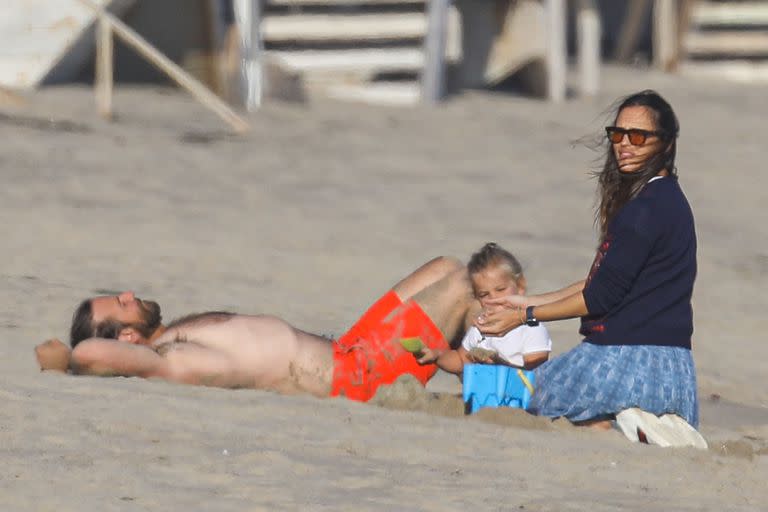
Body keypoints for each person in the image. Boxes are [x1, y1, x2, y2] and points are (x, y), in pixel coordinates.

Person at [475, 90, 700, 432]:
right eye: (618, 134)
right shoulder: (672, 201)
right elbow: (609, 282)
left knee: (537, 397)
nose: (625, 144)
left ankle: (611, 420)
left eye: (638, 136)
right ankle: (630, 421)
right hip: (674, 374)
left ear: (666, 145)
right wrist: (527, 300)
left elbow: (597, 298)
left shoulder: (642, 212)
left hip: (627, 363)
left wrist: (522, 316)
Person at [35, 256, 479, 402]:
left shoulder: (173, 336)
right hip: (359, 376)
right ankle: (493, 367)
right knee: (462, 284)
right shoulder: (170, 361)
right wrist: (67, 362)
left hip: (350, 347)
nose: (129, 294)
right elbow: (94, 353)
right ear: (126, 338)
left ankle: (476, 355)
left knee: (446, 267)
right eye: (121, 304)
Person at [417, 243, 551, 376]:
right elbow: (461, 361)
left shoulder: (531, 327)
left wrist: (500, 365)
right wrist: (437, 356)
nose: (493, 298)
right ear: (477, 298)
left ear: (520, 286)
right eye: (484, 295)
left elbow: (535, 373)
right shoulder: (481, 327)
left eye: (500, 289)